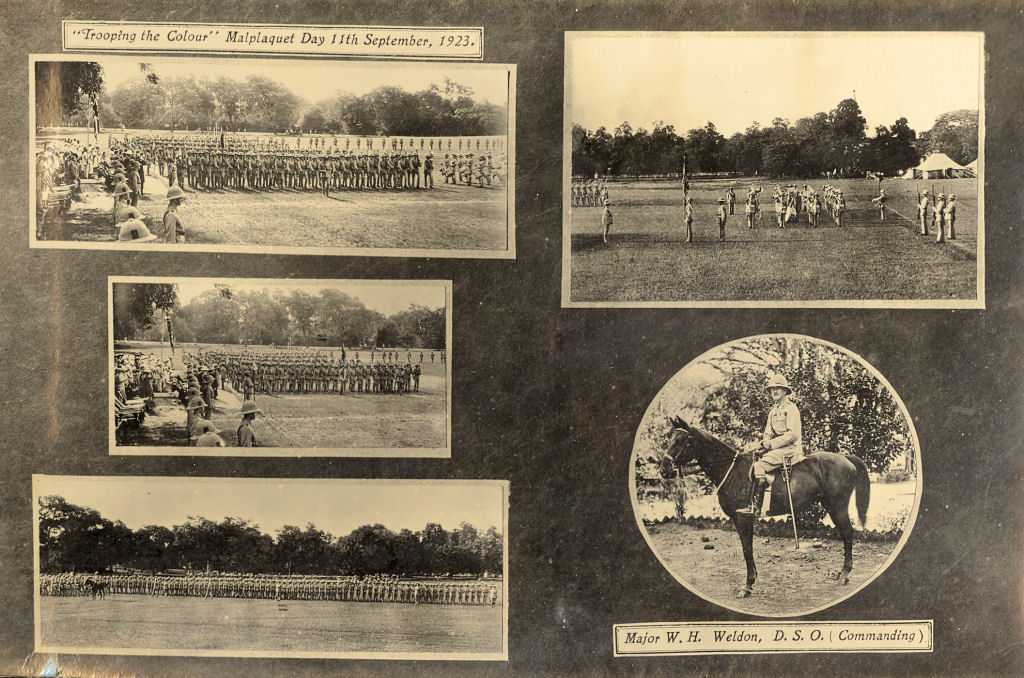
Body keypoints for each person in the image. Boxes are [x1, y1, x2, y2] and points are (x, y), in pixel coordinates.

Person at [737, 374, 804, 517]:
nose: (775, 391)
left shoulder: (791, 409)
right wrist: (764, 442)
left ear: (785, 391)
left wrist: (771, 444)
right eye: (772, 389)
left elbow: (793, 434)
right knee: (751, 460)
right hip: (778, 449)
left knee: (759, 466)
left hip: (790, 449)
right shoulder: (773, 411)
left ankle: (755, 507)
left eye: (778, 388)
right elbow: (767, 432)